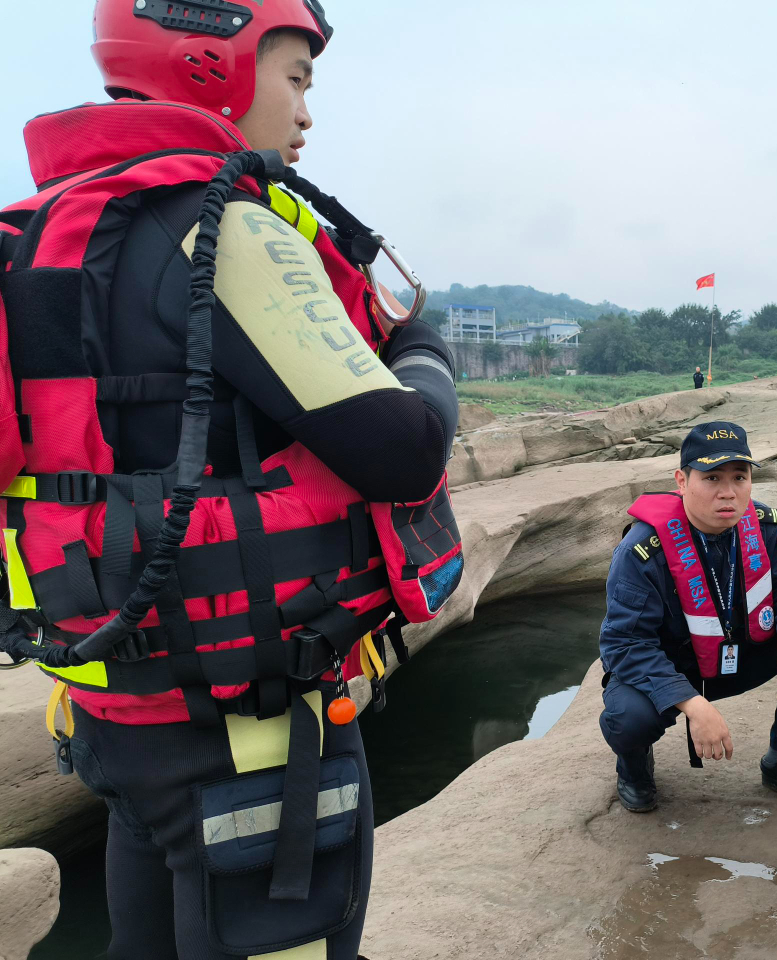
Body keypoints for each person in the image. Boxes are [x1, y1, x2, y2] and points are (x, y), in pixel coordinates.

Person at [0, 3, 460, 957]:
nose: (305, 115)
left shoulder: (50, 232)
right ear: (214, 64)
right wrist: (418, 345)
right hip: (247, 725)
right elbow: (406, 449)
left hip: (116, 705)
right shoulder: (225, 230)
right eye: (295, 79)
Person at [597, 421, 777, 812]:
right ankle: (633, 764)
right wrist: (692, 704)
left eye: (739, 477)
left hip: (737, 657)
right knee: (629, 717)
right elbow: (624, 645)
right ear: (682, 481)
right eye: (711, 477)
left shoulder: (763, 527)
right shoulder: (642, 550)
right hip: (672, 668)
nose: (728, 492)